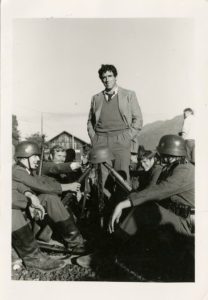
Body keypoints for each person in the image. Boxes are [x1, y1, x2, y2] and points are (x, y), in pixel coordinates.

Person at [12, 141, 89, 270]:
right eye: (35, 156)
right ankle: (33, 258)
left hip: (25, 205)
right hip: (16, 209)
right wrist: (67, 187)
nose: (38, 159)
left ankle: (75, 242)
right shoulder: (18, 171)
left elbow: (25, 186)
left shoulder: (28, 170)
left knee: (49, 198)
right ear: (24, 157)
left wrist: (31, 196)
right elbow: (39, 185)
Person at [109, 135, 195, 242]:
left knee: (144, 210)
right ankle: (119, 246)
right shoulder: (172, 168)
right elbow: (153, 191)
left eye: (161, 153)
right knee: (143, 208)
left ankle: (112, 250)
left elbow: (158, 191)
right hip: (177, 217)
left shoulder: (184, 170)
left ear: (169, 155)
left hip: (187, 223)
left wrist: (123, 204)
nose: (159, 156)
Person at [87, 64, 143, 182]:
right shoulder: (96, 98)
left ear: (115, 77)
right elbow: (90, 122)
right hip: (101, 142)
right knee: (103, 180)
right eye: (104, 77)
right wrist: (95, 139)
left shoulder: (128, 95)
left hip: (121, 141)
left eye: (110, 76)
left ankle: (122, 201)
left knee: (122, 179)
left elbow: (138, 120)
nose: (107, 80)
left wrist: (126, 137)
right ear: (101, 80)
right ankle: (104, 201)